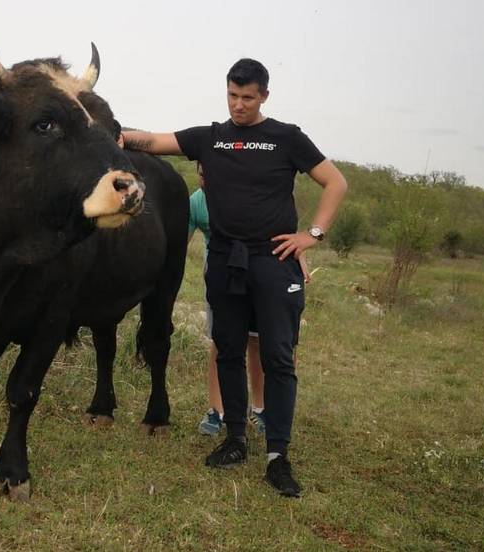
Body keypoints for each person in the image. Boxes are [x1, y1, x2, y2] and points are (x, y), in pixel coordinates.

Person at [123, 58, 347, 497]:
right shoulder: (212, 138)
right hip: (226, 261)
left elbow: (335, 182)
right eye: (232, 95)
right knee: (227, 349)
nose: (239, 105)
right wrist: (111, 131)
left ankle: (277, 456)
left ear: (264, 95)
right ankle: (235, 439)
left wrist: (312, 235)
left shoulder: (287, 138)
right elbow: (153, 141)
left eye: (247, 97)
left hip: (273, 259)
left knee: (278, 357)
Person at [190, 163, 312, 438]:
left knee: (257, 342)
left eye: (212, 172)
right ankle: (216, 410)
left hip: (261, 273)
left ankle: (259, 408)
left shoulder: (244, 192)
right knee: (222, 343)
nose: (206, 179)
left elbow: (280, 226)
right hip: (222, 276)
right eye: (201, 174)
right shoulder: (196, 202)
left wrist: (299, 253)